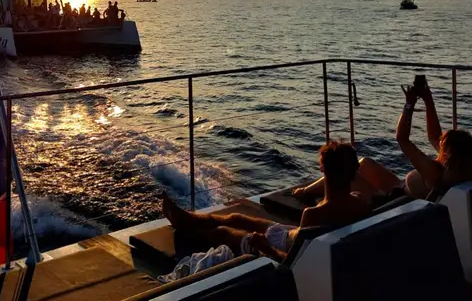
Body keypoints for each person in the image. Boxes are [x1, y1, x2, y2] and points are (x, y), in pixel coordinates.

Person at [162, 141, 368, 258]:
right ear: (353, 171)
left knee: (222, 232)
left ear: (323, 170)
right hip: (289, 234)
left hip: (279, 246)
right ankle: (189, 218)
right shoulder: (359, 201)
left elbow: (294, 262)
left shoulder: (314, 214)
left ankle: (188, 227)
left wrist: (264, 247)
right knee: (236, 217)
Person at [293, 75, 472, 203]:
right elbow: (434, 135)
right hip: (400, 189)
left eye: (442, 144)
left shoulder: (435, 173)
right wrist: (427, 98)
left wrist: (409, 103)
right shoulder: (460, 169)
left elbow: (402, 139)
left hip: (392, 202)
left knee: (351, 174)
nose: (439, 142)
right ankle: (309, 190)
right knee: (365, 163)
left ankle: (305, 192)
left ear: (447, 154)